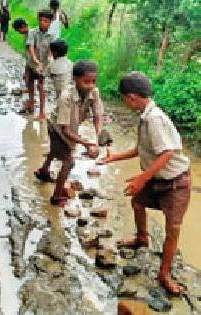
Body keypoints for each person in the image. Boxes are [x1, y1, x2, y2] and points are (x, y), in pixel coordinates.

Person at [103, 72, 191, 295]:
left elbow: (167, 153)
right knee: (137, 203)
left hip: (175, 181)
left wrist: (141, 178)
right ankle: (142, 238)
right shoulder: (145, 116)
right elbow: (142, 149)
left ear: (131, 98)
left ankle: (164, 273)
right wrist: (116, 157)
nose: (124, 101)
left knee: (173, 228)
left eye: (123, 98)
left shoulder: (154, 119)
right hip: (157, 176)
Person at [35, 61, 103, 206]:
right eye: (86, 82)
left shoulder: (94, 92)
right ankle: (56, 196)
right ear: (75, 80)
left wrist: (99, 136)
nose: (90, 85)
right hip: (57, 127)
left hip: (71, 125)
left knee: (54, 150)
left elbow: (97, 116)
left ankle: (43, 171)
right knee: (69, 161)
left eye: (93, 81)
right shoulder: (66, 97)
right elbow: (65, 130)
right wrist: (86, 143)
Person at [20, 9, 54, 120]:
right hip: (31, 63)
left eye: (45, 21)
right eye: (40, 20)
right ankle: (31, 104)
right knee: (30, 84)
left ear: (50, 22)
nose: (42, 23)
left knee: (41, 86)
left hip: (42, 65)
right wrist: (35, 60)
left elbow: (50, 51)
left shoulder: (51, 36)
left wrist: (50, 59)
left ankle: (42, 112)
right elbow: (30, 47)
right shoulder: (32, 32)